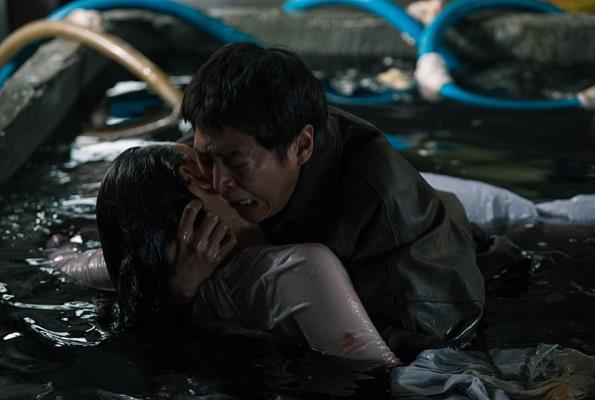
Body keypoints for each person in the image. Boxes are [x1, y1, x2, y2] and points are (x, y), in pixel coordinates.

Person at [176, 42, 484, 359]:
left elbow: (423, 349)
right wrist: (179, 291)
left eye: (237, 163)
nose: (218, 183)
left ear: (301, 146)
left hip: (461, 287)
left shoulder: (379, 207)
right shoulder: (224, 141)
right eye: (207, 160)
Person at [79, 143, 399, 365]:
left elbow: (65, 263)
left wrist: (177, 295)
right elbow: (382, 379)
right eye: (205, 163)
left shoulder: (150, 278)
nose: (221, 177)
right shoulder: (298, 269)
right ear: (193, 177)